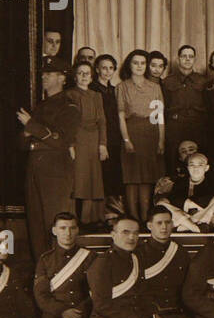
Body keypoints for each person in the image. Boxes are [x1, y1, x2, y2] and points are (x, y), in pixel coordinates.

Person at [19, 64, 80, 258]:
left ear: (63, 78)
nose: (44, 77)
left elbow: (61, 141)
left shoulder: (69, 106)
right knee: (36, 224)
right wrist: (30, 129)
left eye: (50, 73)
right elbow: (22, 141)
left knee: (55, 221)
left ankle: (61, 271)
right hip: (35, 164)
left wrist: (32, 126)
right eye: (43, 73)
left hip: (55, 168)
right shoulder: (41, 105)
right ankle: (42, 271)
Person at [32, 211, 94, 318]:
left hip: (84, 317)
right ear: (54, 231)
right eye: (63, 228)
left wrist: (80, 312)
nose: (68, 233)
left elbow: (96, 292)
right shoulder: (45, 260)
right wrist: (63, 311)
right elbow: (41, 295)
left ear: (77, 230)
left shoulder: (90, 257)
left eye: (72, 228)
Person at [116, 50, 164, 225]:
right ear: (129, 65)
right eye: (135, 63)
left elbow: (159, 117)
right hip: (131, 132)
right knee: (131, 179)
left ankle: (145, 219)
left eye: (143, 63)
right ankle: (133, 219)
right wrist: (126, 140)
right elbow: (121, 116)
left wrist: (160, 140)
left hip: (150, 134)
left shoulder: (155, 87)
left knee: (147, 178)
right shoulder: (122, 87)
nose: (139, 66)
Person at [66, 60, 107, 225]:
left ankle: (90, 218)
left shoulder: (96, 96)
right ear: (75, 77)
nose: (84, 77)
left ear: (92, 77)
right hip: (78, 138)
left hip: (94, 139)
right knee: (79, 179)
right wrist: (70, 145)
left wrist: (102, 144)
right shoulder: (69, 95)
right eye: (80, 73)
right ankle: (75, 219)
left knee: (93, 178)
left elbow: (102, 121)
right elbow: (68, 122)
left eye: (87, 74)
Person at [158, 149, 214, 232]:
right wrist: (187, 203)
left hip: (201, 213)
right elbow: (173, 198)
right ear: (188, 168)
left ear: (206, 168)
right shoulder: (180, 181)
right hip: (183, 213)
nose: (195, 168)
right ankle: (195, 228)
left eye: (200, 165)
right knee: (161, 203)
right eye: (192, 165)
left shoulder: (211, 181)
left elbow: (209, 198)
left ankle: (186, 226)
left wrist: (192, 203)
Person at [161, 45, 207, 164]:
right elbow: (163, 108)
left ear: (195, 59)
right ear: (178, 59)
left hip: (197, 126)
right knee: (173, 157)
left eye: (190, 56)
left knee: (198, 157)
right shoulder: (168, 81)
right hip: (175, 126)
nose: (187, 59)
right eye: (184, 56)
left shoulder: (203, 81)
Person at [93, 53, 123, 215]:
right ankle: (100, 214)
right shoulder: (92, 89)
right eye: (104, 68)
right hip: (99, 139)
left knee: (113, 176)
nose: (107, 71)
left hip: (115, 139)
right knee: (100, 176)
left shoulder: (115, 90)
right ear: (97, 69)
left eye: (111, 68)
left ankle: (113, 215)